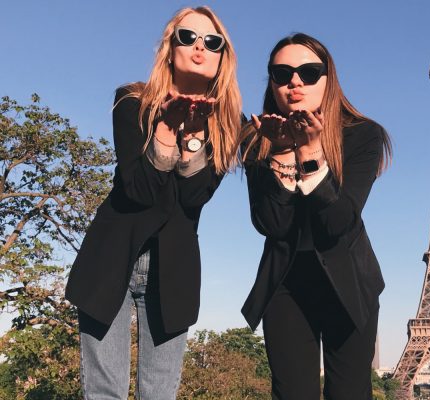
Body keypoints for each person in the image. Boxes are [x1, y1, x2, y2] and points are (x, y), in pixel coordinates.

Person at [65, 6, 241, 399]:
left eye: (212, 42)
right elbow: (138, 190)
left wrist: (193, 137)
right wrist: (165, 132)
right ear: (170, 47)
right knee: (104, 392)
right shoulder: (132, 101)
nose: (199, 47)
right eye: (187, 37)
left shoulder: (229, 123)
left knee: (159, 394)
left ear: (222, 56)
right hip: (110, 259)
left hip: (173, 270)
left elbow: (194, 198)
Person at [241, 33, 392, 400]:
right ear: (272, 83)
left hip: (349, 280)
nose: (295, 82)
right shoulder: (258, 139)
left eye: (309, 72)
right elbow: (271, 224)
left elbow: (338, 221)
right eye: (282, 74)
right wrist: (281, 152)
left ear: (328, 79)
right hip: (286, 283)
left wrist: (309, 153)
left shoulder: (362, 135)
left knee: (350, 393)